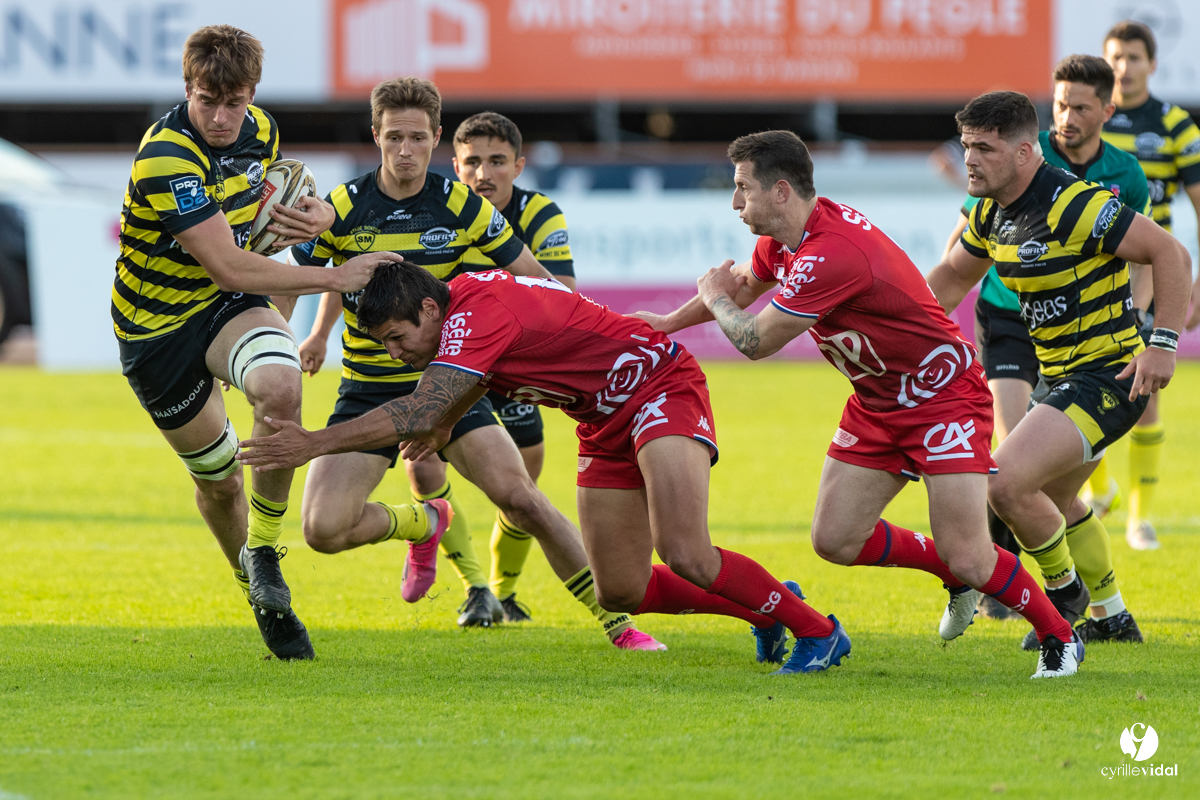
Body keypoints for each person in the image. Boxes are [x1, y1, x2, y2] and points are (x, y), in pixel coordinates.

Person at [238, 262, 848, 675]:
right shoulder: (461, 310)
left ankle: (819, 632)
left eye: (398, 337)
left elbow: (421, 404)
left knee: (685, 553)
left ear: (428, 308)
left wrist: (310, 443)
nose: (395, 352)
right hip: (602, 420)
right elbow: (465, 385)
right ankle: (765, 605)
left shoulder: (475, 314)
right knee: (621, 589)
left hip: (658, 385)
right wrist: (446, 421)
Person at [635, 130, 1082, 678]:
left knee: (971, 551)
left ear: (780, 192)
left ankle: (1059, 635)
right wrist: (669, 322)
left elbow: (755, 340)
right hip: (878, 401)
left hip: (942, 396)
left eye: (741, 189)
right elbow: (749, 286)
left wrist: (714, 296)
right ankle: (954, 570)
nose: (734, 203)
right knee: (836, 540)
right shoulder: (784, 240)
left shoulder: (831, 253)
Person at [290, 79, 661, 649]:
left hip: (453, 386)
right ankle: (422, 521)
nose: (406, 150)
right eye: (394, 137)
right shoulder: (339, 206)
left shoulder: (460, 203)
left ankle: (617, 624)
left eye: (418, 137)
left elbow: (538, 280)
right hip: (369, 389)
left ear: (437, 138)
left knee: (521, 499)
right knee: (321, 530)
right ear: (376, 136)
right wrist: (280, 344)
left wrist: (605, 334)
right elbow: (301, 280)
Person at [112, 25, 397, 660]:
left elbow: (267, 221)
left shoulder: (260, 132)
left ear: (252, 95)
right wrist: (335, 275)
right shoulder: (166, 156)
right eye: (206, 100)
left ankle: (264, 550)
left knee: (279, 384)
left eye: (233, 102)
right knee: (218, 482)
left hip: (222, 310)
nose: (220, 116)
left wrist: (313, 215)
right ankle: (258, 590)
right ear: (187, 88)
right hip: (155, 331)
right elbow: (230, 265)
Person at [927, 91, 1191, 648]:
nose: (969, 160)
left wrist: (1162, 342)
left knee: (1006, 483)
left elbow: (1171, 253)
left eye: (984, 148)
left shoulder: (1074, 203)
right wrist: (889, 332)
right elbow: (948, 282)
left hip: (1112, 378)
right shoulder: (989, 212)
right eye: (966, 146)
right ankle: (1112, 616)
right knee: (1058, 503)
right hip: (1063, 380)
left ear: (1025, 153)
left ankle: (1062, 593)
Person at [450, 111, 575, 623]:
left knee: (526, 476)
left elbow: (562, 295)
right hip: (452, 361)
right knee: (425, 462)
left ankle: (505, 591)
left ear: (518, 166)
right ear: (456, 167)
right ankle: (475, 587)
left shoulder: (542, 214)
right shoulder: (441, 209)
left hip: (516, 361)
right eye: (473, 162)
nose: (485, 174)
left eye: (497, 161)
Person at [1101, 20, 1200, 550]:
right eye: (1115, 57)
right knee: (1076, 378)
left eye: (1134, 57)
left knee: (1147, 392)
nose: (1124, 67)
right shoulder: (1089, 121)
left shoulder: (1175, 124)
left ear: (1152, 64)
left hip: (1154, 269)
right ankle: (1097, 488)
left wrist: (1196, 283)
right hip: (1091, 274)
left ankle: (1139, 518)